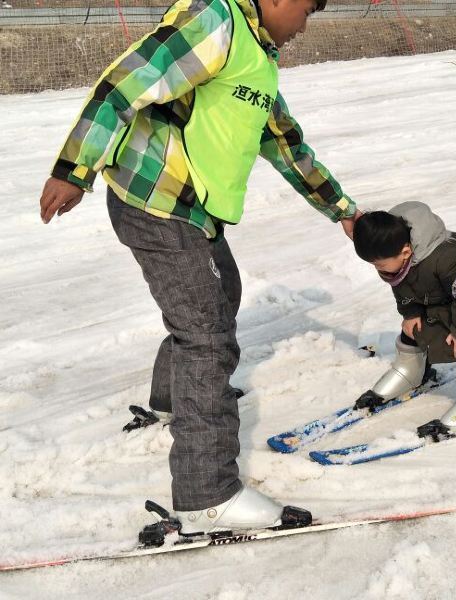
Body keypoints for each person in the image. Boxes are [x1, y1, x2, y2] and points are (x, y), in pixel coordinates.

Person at [39, 0, 361, 536]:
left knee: (217, 297)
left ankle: (173, 403)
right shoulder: (217, 19)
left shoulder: (257, 54)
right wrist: (76, 167)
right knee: (206, 336)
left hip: (192, 209)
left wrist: (343, 211)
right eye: (306, 9)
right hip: (156, 202)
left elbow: (284, 143)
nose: (306, 24)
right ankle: (205, 494)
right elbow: (127, 81)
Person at [351, 202, 456, 439]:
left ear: (405, 252)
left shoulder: (448, 258)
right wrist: (411, 313)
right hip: (435, 290)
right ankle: (411, 370)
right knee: (415, 327)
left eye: (379, 264)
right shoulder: (396, 254)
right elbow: (402, 287)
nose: (377, 269)